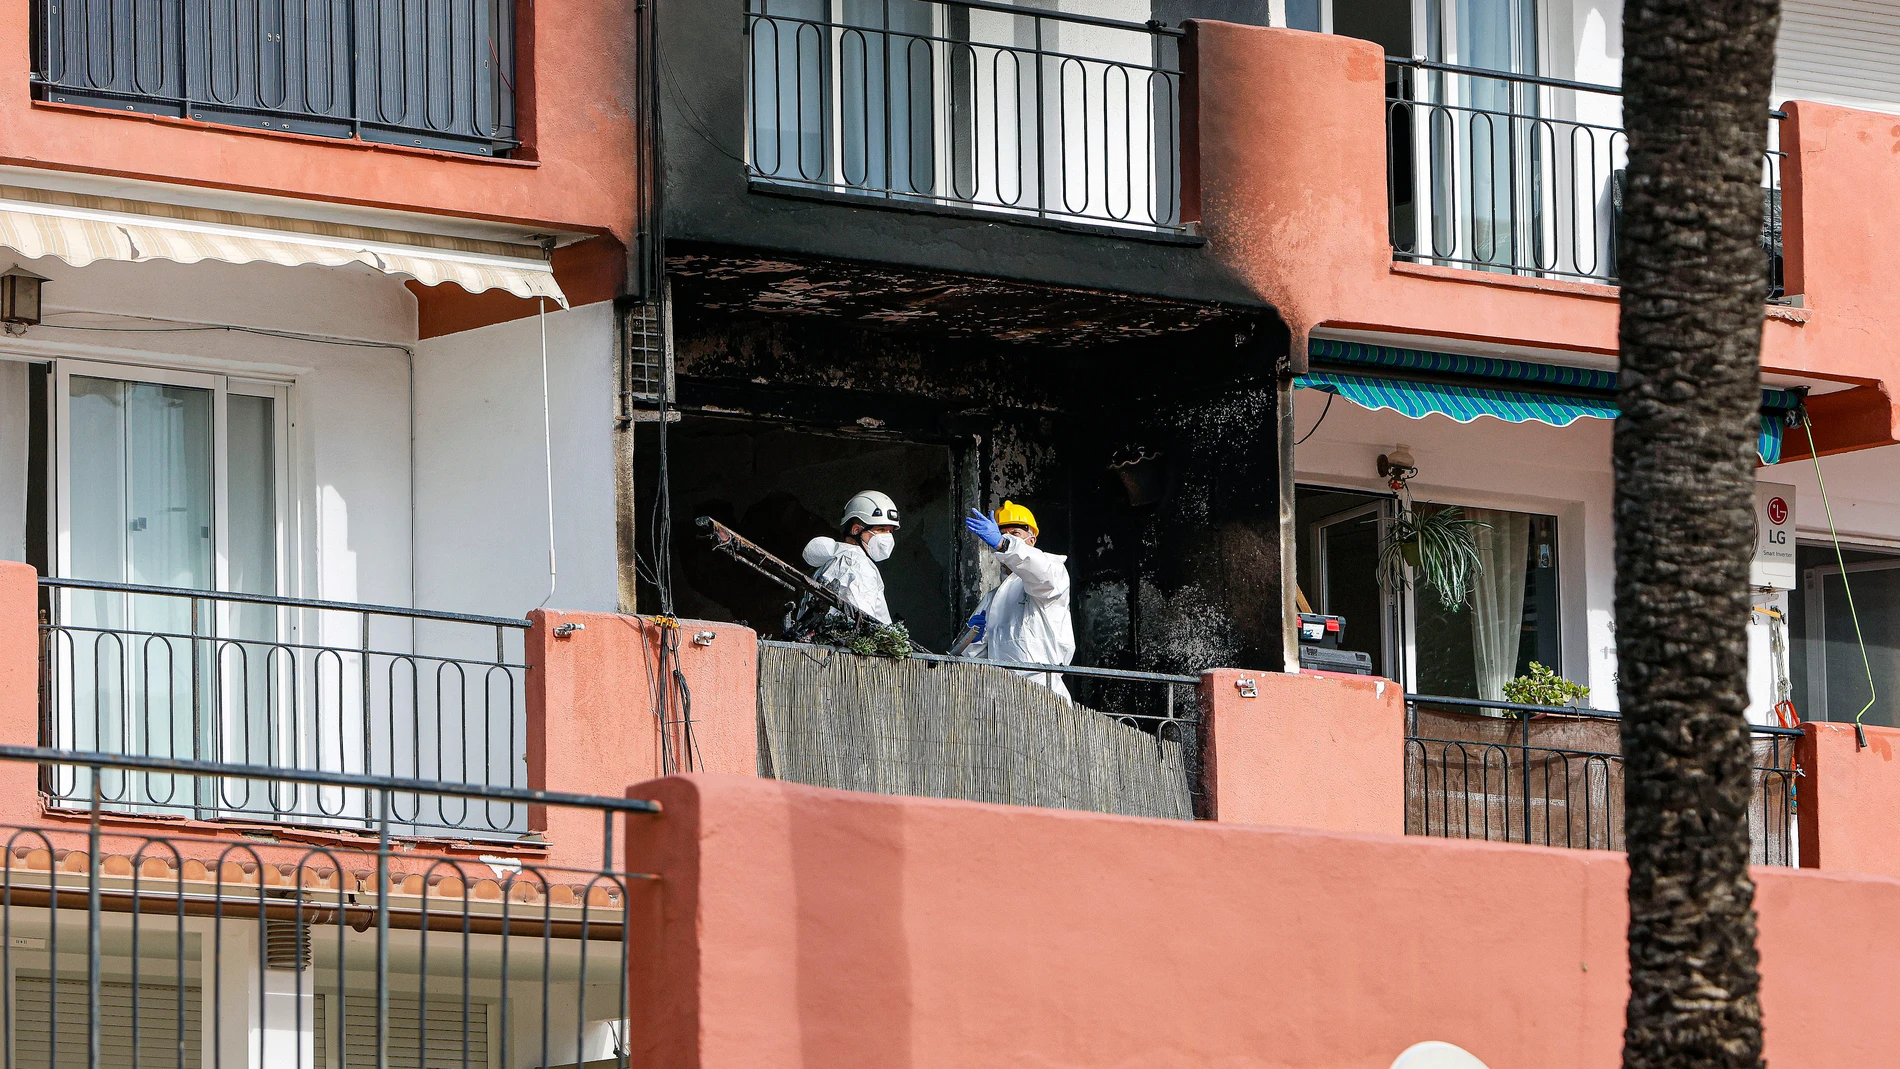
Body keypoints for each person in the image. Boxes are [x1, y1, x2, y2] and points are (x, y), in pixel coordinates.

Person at [961, 500, 1075, 698]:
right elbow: (973, 659)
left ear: (1031, 540)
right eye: (1002, 533)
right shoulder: (992, 598)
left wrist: (1005, 544)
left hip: (1043, 688)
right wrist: (971, 642)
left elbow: (1039, 571)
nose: (1006, 539)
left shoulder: (1052, 572)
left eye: (1015, 534)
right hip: (1003, 694)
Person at [802, 490, 900, 625]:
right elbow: (862, 626)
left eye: (890, 531)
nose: (888, 537)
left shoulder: (830, 563)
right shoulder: (857, 563)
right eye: (881, 529)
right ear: (856, 530)